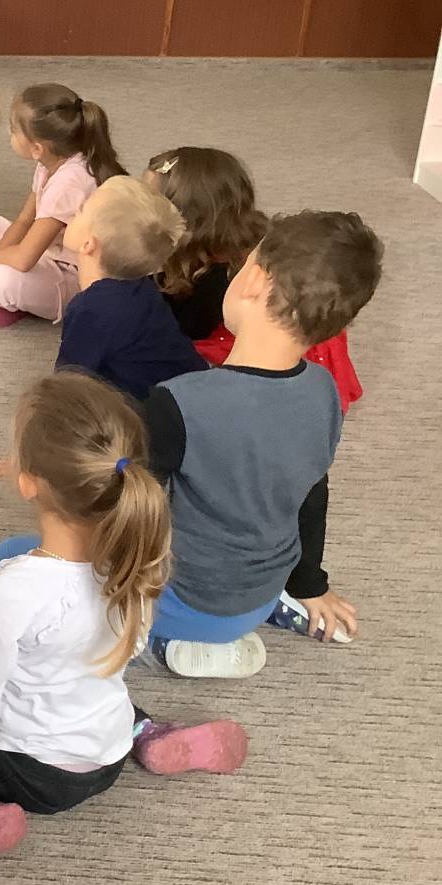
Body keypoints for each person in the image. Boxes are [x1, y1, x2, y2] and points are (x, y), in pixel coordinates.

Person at [0, 373, 248, 885]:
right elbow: (129, 649)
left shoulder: (16, 588)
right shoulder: (136, 562)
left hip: (35, 776)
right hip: (106, 751)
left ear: (28, 482)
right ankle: (147, 734)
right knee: (93, 678)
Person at [141, 211, 383, 677]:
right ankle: (271, 610)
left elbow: (127, 508)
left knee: (14, 556)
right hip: (266, 589)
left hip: (188, 600)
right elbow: (312, 494)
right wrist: (310, 583)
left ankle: (159, 642)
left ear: (253, 280)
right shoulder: (325, 392)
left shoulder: (178, 402)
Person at [145, 147, 364, 411]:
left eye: (147, 202)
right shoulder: (241, 241)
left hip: (250, 341)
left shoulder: (215, 280)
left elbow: (188, 327)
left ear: (185, 221)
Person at [0, 84, 124, 327]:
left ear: (37, 148)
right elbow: (24, 220)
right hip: (51, 250)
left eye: (13, 130)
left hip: (77, 276)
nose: (9, 134)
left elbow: (25, 258)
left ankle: (9, 300)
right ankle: (9, 298)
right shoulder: (50, 162)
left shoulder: (69, 183)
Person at [55, 177, 207, 399]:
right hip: (192, 390)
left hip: (157, 411)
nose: (75, 211)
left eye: (82, 210)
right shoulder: (142, 287)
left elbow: (65, 386)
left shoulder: (91, 309)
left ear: (88, 244)